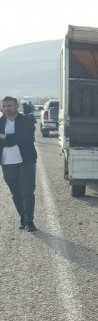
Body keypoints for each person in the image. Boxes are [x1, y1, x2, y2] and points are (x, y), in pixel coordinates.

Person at [1, 96, 38, 232]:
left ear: (16, 105)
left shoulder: (26, 120)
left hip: (26, 162)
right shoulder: (0, 122)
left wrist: (5, 137)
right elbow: (18, 138)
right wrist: (13, 138)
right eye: (4, 106)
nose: (6, 108)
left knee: (27, 192)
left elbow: (25, 137)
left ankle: (29, 221)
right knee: (16, 194)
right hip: (7, 163)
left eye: (9, 105)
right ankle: (23, 218)